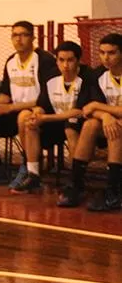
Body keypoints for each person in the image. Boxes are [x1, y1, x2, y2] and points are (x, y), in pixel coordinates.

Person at [0, 21, 57, 187]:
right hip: (15, 111)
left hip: (39, 113)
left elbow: (45, 99)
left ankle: (27, 167)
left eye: (24, 35)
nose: (19, 39)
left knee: (23, 116)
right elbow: (6, 94)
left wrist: (10, 107)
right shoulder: (11, 61)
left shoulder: (44, 60)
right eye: (15, 35)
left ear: (32, 37)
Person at [14, 41, 87, 194]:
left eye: (70, 60)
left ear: (78, 60)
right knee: (28, 121)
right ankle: (33, 174)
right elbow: (42, 103)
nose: (65, 65)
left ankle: (75, 180)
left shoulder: (87, 76)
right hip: (54, 121)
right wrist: (36, 114)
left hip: (78, 123)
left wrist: (45, 118)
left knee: (70, 126)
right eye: (61, 60)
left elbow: (78, 111)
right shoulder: (51, 76)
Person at [62, 33, 122, 211]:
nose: (106, 57)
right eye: (102, 53)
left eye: (111, 53)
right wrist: (105, 115)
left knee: (116, 127)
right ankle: (77, 184)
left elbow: (94, 105)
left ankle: (114, 191)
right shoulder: (97, 76)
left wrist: (100, 108)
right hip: (109, 123)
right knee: (90, 124)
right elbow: (87, 109)